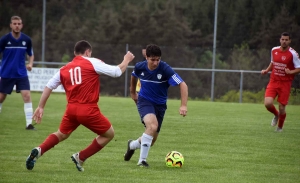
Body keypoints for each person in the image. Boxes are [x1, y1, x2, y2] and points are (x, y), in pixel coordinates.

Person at [25, 40, 135, 171]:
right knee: (109, 134)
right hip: (88, 109)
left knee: (61, 134)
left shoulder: (64, 68)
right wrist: (126, 60)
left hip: (71, 110)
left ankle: (40, 149)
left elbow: (49, 86)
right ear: (88, 52)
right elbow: (116, 72)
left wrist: (41, 106)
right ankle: (81, 157)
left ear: (75, 53)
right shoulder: (92, 62)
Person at [124, 44, 188, 167]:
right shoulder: (139, 67)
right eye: (152, 59)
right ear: (146, 57)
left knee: (151, 139)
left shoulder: (165, 69)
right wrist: (133, 93)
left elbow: (183, 84)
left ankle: (132, 145)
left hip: (160, 105)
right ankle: (142, 161)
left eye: (158, 59)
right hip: (144, 101)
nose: (155, 62)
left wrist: (183, 105)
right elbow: (134, 76)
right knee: (152, 126)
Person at [0, 16, 35, 130]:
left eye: (19, 23)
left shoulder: (26, 39)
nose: (17, 25)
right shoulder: (4, 39)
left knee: (27, 96)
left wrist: (30, 64)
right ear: (10, 25)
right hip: (6, 73)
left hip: (21, 74)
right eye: (14, 23)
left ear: (22, 25)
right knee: (1, 98)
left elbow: (31, 53)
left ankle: (29, 124)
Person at [261, 32, 300, 132]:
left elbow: (299, 68)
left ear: (289, 41)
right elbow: (273, 63)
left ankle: (279, 128)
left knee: (282, 108)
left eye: (286, 40)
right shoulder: (274, 50)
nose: (284, 41)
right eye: (283, 39)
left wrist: (291, 72)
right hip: (274, 81)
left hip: (285, 83)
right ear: (280, 40)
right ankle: (276, 114)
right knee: (268, 103)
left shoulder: (293, 54)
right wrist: (266, 70)